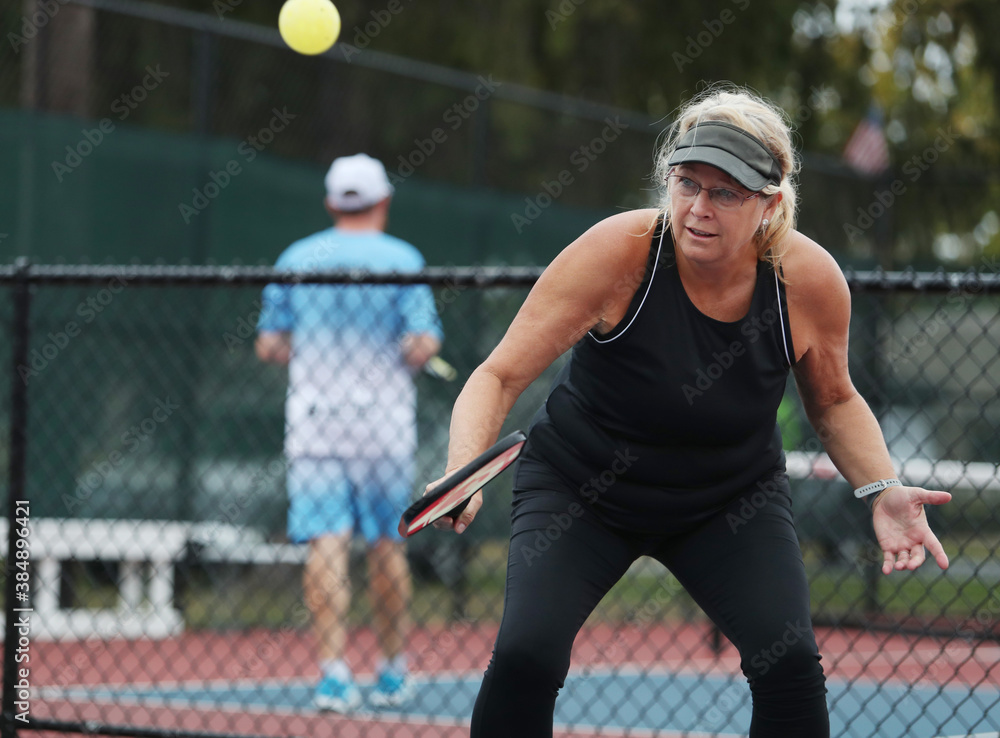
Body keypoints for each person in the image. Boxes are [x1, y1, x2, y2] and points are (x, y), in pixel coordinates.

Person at [430, 86, 952, 737]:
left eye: (726, 192)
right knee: (525, 655)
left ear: (771, 202)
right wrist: (462, 467)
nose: (699, 208)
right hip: (581, 488)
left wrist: (880, 487)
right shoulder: (617, 253)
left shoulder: (809, 281)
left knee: (789, 662)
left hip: (727, 498)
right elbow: (498, 374)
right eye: (686, 184)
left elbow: (836, 399)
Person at [256, 153, 443, 712]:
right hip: (383, 429)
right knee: (388, 545)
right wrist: (410, 351)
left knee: (326, 545)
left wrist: (312, 347)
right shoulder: (403, 258)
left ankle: (334, 676)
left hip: (315, 425)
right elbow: (421, 344)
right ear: (383, 201)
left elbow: (270, 344)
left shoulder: (295, 257)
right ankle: (391, 671)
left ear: (332, 203)